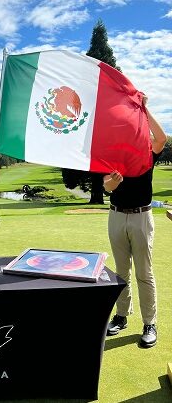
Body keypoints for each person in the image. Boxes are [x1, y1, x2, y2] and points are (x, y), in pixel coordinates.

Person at [103, 99, 166, 348]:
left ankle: (149, 322)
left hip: (141, 216)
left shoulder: (147, 149)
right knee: (120, 272)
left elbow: (161, 138)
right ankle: (121, 316)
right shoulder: (111, 154)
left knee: (144, 272)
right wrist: (113, 184)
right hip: (116, 215)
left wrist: (144, 108)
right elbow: (106, 186)